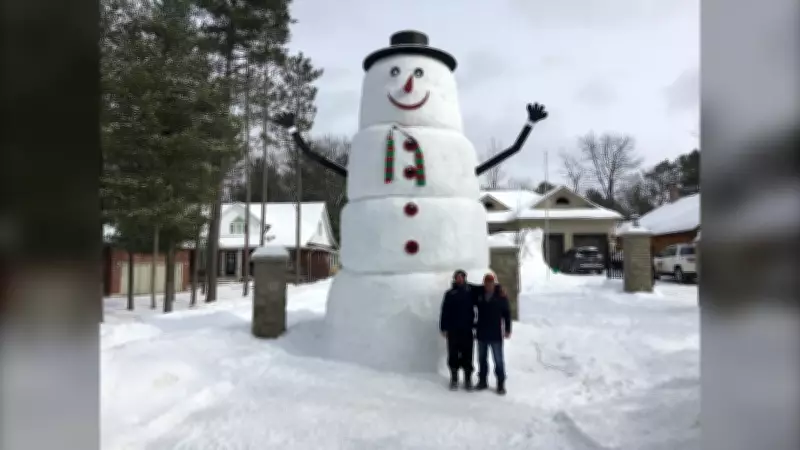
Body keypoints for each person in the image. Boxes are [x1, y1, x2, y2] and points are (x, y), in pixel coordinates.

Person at [474, 273, 511, 395]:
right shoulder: (479, 294)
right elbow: (469, 287)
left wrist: (508, 329)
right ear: (484, 283)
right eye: (486, 283)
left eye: (491, 283)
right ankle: (482, 381)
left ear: (494, 283)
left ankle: (500, 384)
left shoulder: (500, 296)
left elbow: (507, 314)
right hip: (481, 334)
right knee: (481, 359)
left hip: (495, 334)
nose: (488, 285)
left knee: (498, 361)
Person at [439, 269, 477, 391]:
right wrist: (443, 327)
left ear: (465, 278)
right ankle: (454, 378)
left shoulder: (471, 292)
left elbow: (484, 293)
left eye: (461, 277)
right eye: (457, 277)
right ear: (455, 279)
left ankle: (467, 379)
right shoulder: (450, 294)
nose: (459, 279)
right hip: (453, 329)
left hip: (467, 329)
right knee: (453, 354)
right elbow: (444, 311)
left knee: (468, 354)